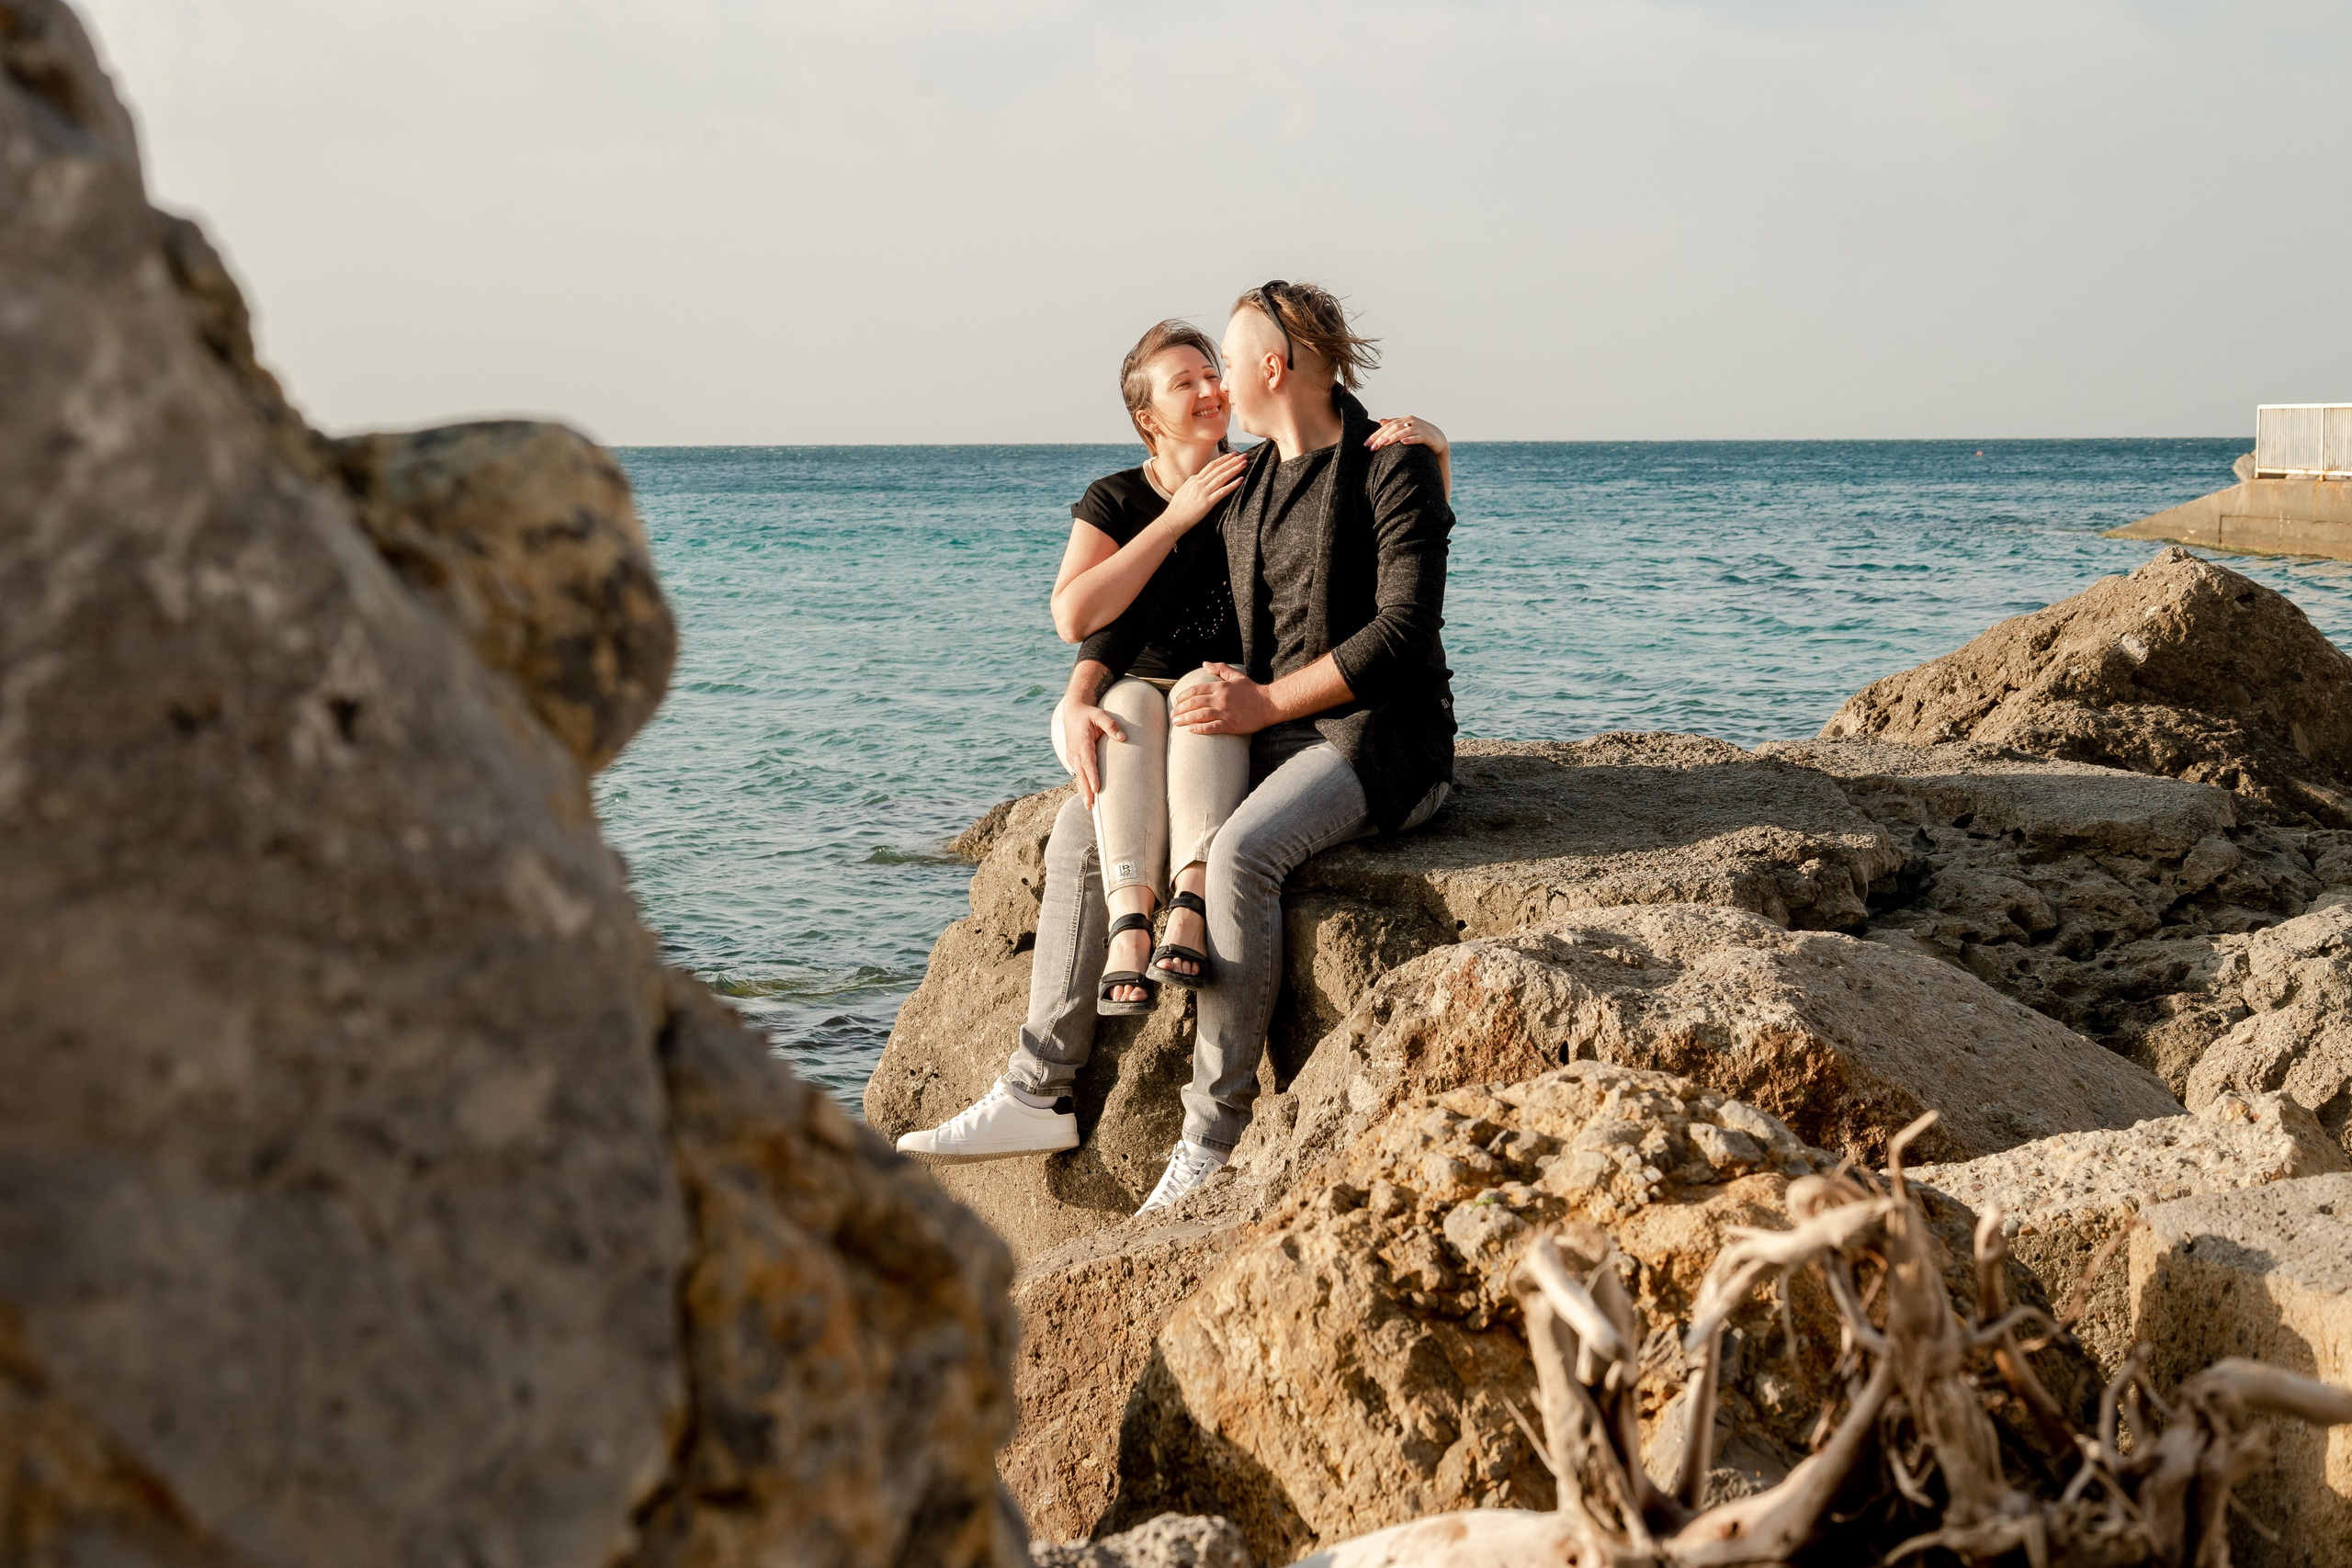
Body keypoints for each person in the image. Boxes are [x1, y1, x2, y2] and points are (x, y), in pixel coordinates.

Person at [899, 287, 1456, 1216]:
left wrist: (1436, 451)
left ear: (1270, 369)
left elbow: (1402, 629)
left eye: (1225, 366)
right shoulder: (1252, 489)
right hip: (1278, 735)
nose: (1220, 388)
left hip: (1383, 742)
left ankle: (1213, 1138)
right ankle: (1038, 1086)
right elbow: (1138, 616)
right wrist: (1081, 695)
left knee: (1241, 853)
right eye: (1195, 377)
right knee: (1094, 801)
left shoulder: (1384, 465)